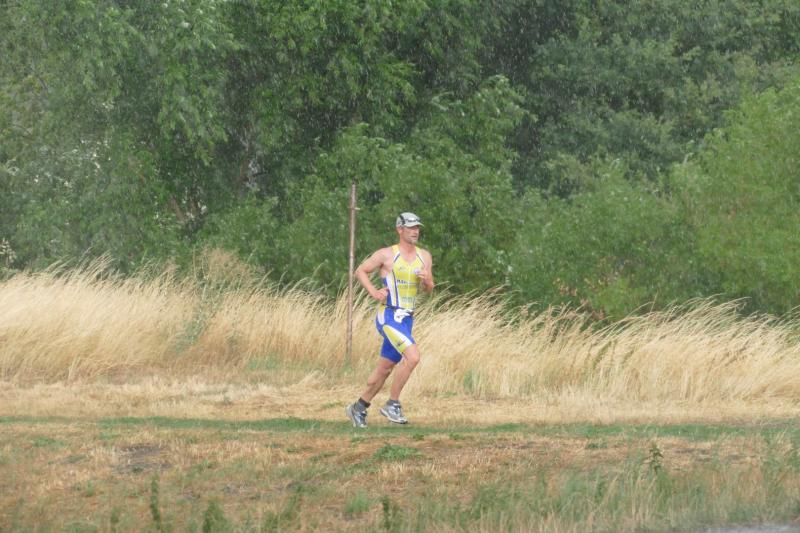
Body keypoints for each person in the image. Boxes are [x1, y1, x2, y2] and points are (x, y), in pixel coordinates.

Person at [346, 212, 435, 427]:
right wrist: (374, 292)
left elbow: (429, 289)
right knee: (413, 357)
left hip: (407, 319)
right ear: (399, 230)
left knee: (385, 369)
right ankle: (392, 404)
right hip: (388, 315)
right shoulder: (386, 254)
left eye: (417, 227)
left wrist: (428, 281)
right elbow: (361, 271)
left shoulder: (424, 256)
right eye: (411, 227)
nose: (415, 231)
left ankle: (358, 407)